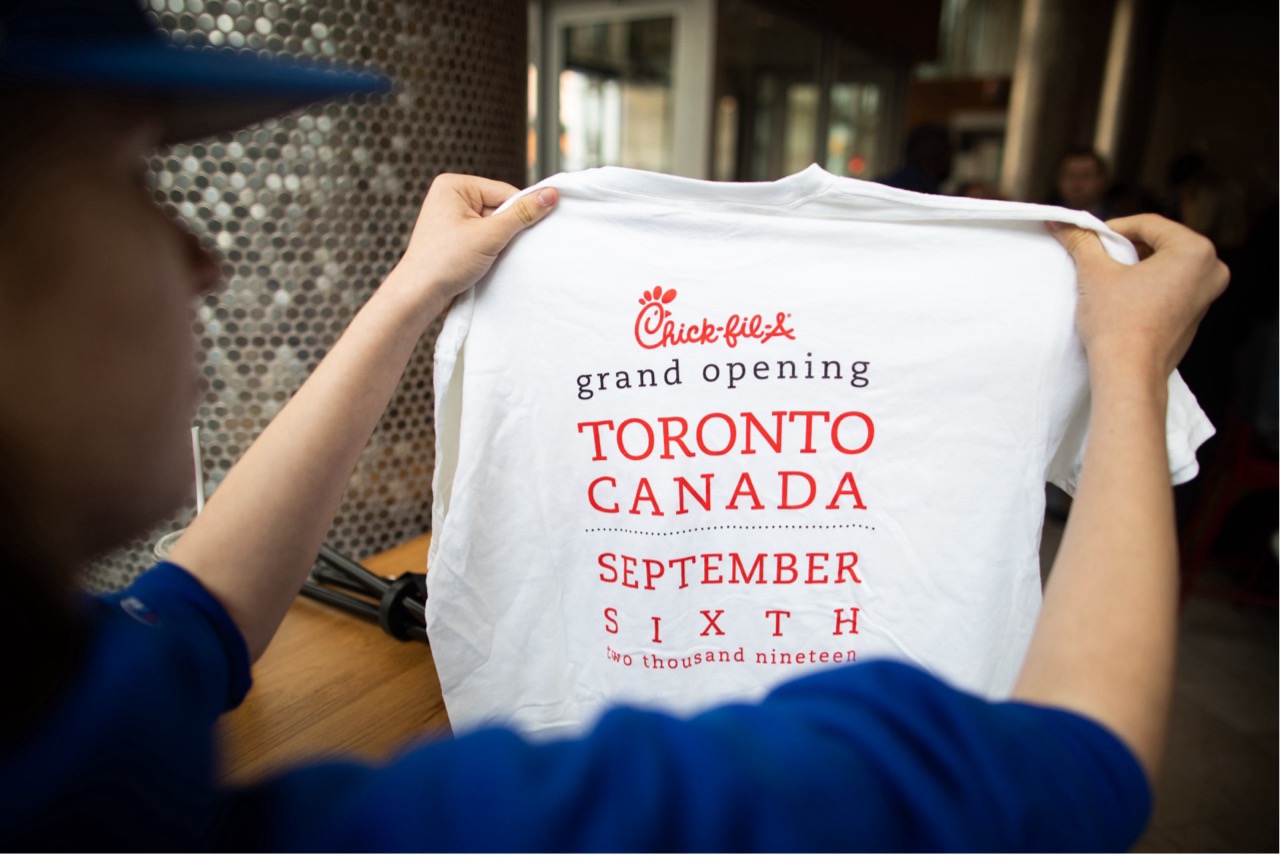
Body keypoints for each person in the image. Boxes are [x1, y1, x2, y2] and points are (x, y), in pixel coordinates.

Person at [0, 0, 1229, 851]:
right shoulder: (477, 829)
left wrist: (410, 293)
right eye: (133, 177)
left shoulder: (75, 726)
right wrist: (1127, 366)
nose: (203, 257)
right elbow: (1079, 762)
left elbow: (192, 616)